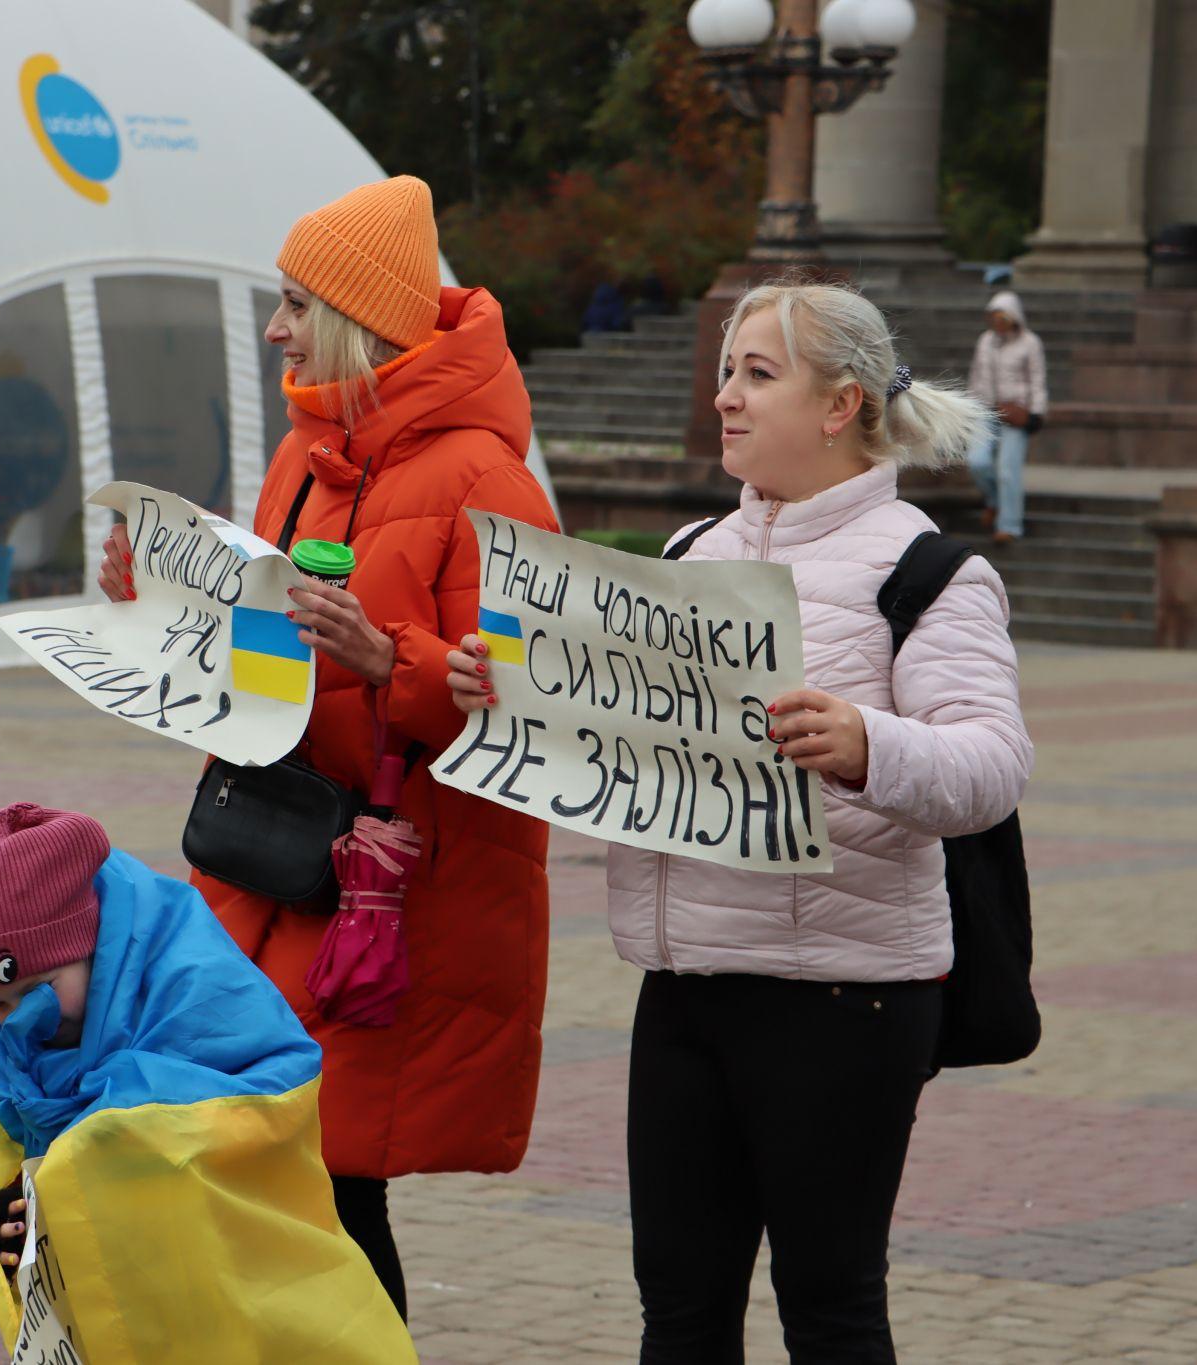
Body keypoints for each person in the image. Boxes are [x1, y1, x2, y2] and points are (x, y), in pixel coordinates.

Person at [448, 279, 1033, 1363]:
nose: (723, 397)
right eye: (723, 371)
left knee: (830, 1311)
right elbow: (622, 744)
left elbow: (992, 768)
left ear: (837, 404)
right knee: (676, 1313)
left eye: (756, 374)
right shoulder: (683, 561)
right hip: (681, 989)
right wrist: (511, 693)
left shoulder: (928, 572)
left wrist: (868, 743)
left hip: (845, 999)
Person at [95, 174, 556, 1320]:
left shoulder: (486, 481)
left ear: (358, 317)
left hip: (385, 894)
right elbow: (261, 649)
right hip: (270, 858)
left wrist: (380, 654)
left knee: (328, 1192)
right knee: (261, 1174)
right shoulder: (304, 455)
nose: (275, 327)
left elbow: (526, 714)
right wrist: (159, 604)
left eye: (296, 303)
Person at [0, 802, 414, 1361]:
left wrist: (113, 1125)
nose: (17, 1018)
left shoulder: (194, 983)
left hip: (240, 1282)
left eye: (36, 987)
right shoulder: (8, 1035)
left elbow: (269, 1092)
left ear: (93, 944)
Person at [965, 290, 1046, 545]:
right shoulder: (985, 341)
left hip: (1016, 412)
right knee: (976, 461)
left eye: (1003, 316)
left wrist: (1037, 413)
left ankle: (1009, 525)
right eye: (994, 317)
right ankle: (995, 501)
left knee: (1008, 470)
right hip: (985, 409)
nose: (998, 322)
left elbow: (1037, 379)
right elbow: (975, 376)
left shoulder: (1030, 343)